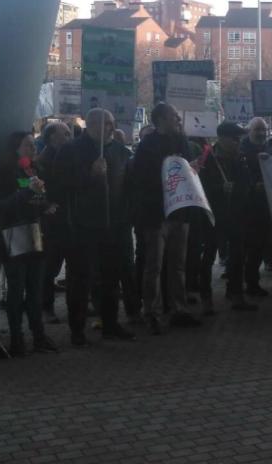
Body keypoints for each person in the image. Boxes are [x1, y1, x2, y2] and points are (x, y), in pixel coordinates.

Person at [52, 109, 136, 346]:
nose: (110, 127)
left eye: (112, 123)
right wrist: (90, 175)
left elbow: (129, 186)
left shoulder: (121, 152)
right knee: (81, 279)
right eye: (105, 123)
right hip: (83, 226)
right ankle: (77, 330)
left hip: (115, 226)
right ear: (90, 125)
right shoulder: (71, 151)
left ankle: (110, 323)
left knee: (112, 278)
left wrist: (127, 215)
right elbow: (59, 186)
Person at [132, 103, 201, 335]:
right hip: (156, 215)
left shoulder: (181, 142)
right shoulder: (147, 146)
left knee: (178, 265)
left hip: (180, 212)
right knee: (154, 266)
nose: (177, 120)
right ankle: (151, 311)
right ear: (161, 119)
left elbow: (190, 170)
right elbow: (141, 179)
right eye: (173, 116)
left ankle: (178, 308)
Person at [0, 131, 58, 355]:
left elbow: (40, 199)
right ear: (16, 149)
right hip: (14, 233)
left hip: (36, 232)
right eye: (28, 145)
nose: (33, 149)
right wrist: (26, 192)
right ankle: (16, 338)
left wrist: (48, 206)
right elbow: (2, 206)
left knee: (35, 288)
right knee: (16, 289)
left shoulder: (38, 170)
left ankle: (38, 335)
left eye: (34, 145)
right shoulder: (7, 173)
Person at [200, 122, 258, 312]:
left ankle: (235, 293)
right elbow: (200, 188)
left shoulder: (240, 158)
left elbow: (247, 183)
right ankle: (205, 297)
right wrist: (218, 189)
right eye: (234, 139)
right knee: (208, 256)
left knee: (238, 255)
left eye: (239, 139)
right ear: (222, 139)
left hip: (236, 215)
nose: (237, 142)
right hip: (214, 216)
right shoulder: (207, 160)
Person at [36, 121, 72, 325]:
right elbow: (33, 191)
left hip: (69, 218)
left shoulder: (69, 158)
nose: (69, 137)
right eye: (65, 134)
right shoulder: (41, 163)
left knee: (72, 265)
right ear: (51, 138)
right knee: (49, 267)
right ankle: (46, 307)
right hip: (51, 223)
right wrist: (46, 205)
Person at [241, 118, 272, 294]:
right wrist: (252, 186)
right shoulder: (242, 150)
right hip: (247, 207)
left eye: (263, 129)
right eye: (257, 130)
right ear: (249, 130)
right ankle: (250, 283)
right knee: (251, 247)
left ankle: (253, 282)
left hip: (266, 205)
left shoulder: (269, 149)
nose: (261, 133)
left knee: (263, 245)